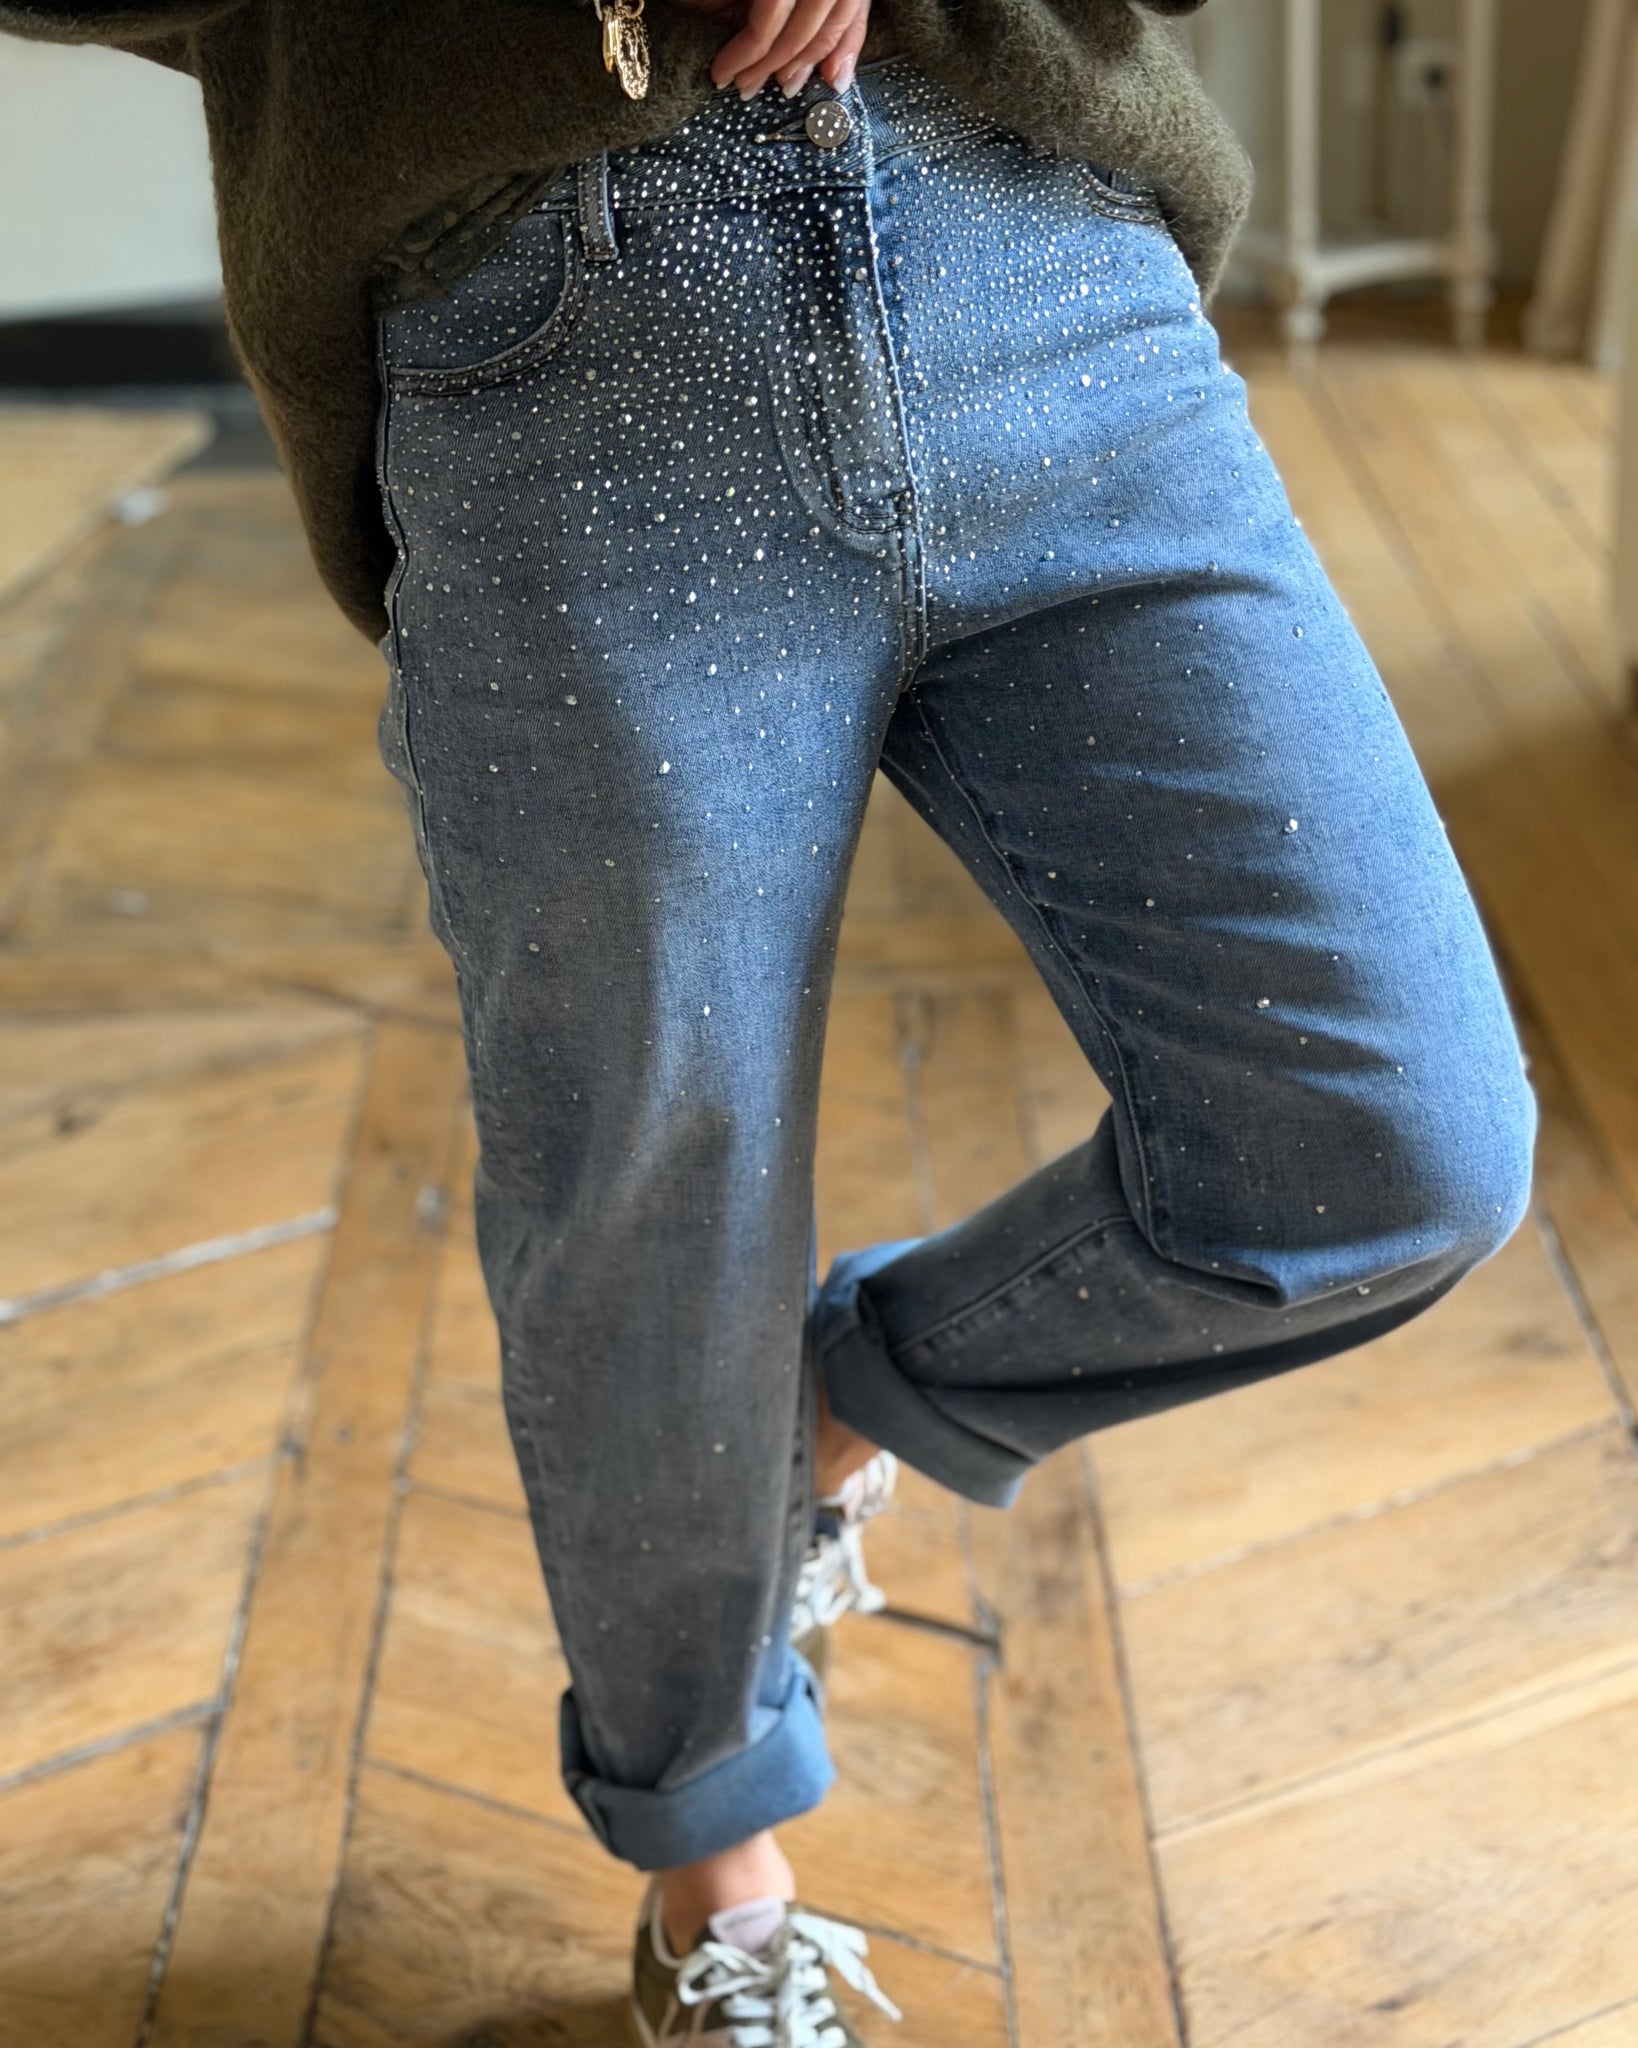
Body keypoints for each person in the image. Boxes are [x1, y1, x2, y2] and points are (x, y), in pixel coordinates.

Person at [2, 0, 1538, 2040]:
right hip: (564, 337)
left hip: (1049, 269)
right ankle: (713, 1888)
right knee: (655, 1210)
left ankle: (818, 1400)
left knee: (1395, 1138)